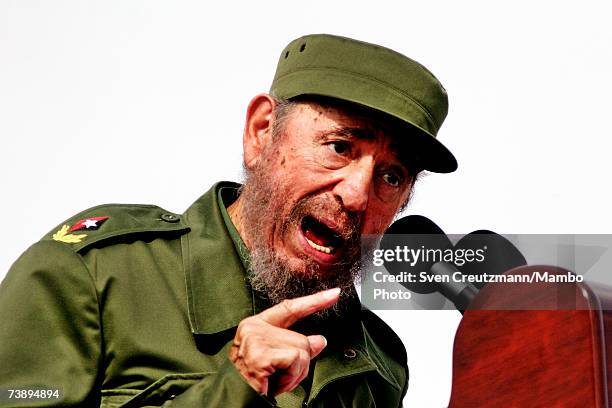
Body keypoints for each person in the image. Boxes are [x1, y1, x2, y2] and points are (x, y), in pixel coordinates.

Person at [0, 34, 456, 407]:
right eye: (339, 147)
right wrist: (232, 387)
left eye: (391, 176)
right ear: (261, 133)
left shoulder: (380, 364)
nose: (357, 195)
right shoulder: (95, 275)